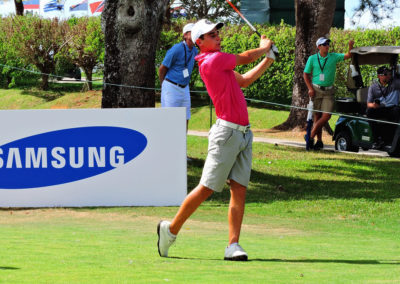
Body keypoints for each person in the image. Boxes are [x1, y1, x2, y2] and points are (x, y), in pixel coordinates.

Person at [157, 19, 275, 261]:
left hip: (243, 133)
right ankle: (170, 230)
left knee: (239, 190)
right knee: (206, 188)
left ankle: (233, 245)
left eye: (217, 33)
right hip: (226, 134)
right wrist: (263, 47)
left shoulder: (220, 63)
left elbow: (243, 80)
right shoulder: (212, 60)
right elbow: (246, 57)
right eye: (212, 35)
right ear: (199, 42)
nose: (218, 37)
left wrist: (268, 60)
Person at [303, 37, 354, 150]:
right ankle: (319, 141)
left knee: (326, 116)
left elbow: (348, 55)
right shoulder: (312, 58)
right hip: (316, 90)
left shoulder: (333, 57)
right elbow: (305, 74)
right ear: (319, 47)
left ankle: (309, 136)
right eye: (324, 44)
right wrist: (310, 88)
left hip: (328, 91)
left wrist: (350, 46)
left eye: (328, 44)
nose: (327, 45)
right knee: (317, 116)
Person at [159, 23, 198, 130]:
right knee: (169, 119)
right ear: (185, 35)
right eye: (192, 32)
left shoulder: (195, 50)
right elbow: (162, 69)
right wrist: (164, 86)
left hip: (185, 88)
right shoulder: (176, 49)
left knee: (186, 118)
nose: (196, 34)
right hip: (171, 87)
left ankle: (182, 144)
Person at [366, 66, 400, 149]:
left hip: (392, 109)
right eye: (385, 74)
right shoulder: (373, 87)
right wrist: (374, 105)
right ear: (379, 76)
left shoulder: (395, 84)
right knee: (369, 111)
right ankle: (376, 140)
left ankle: (393, 139)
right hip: (380, 108)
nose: (388, 76)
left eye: (389, 74)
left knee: (397, 111)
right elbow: (369, 103)